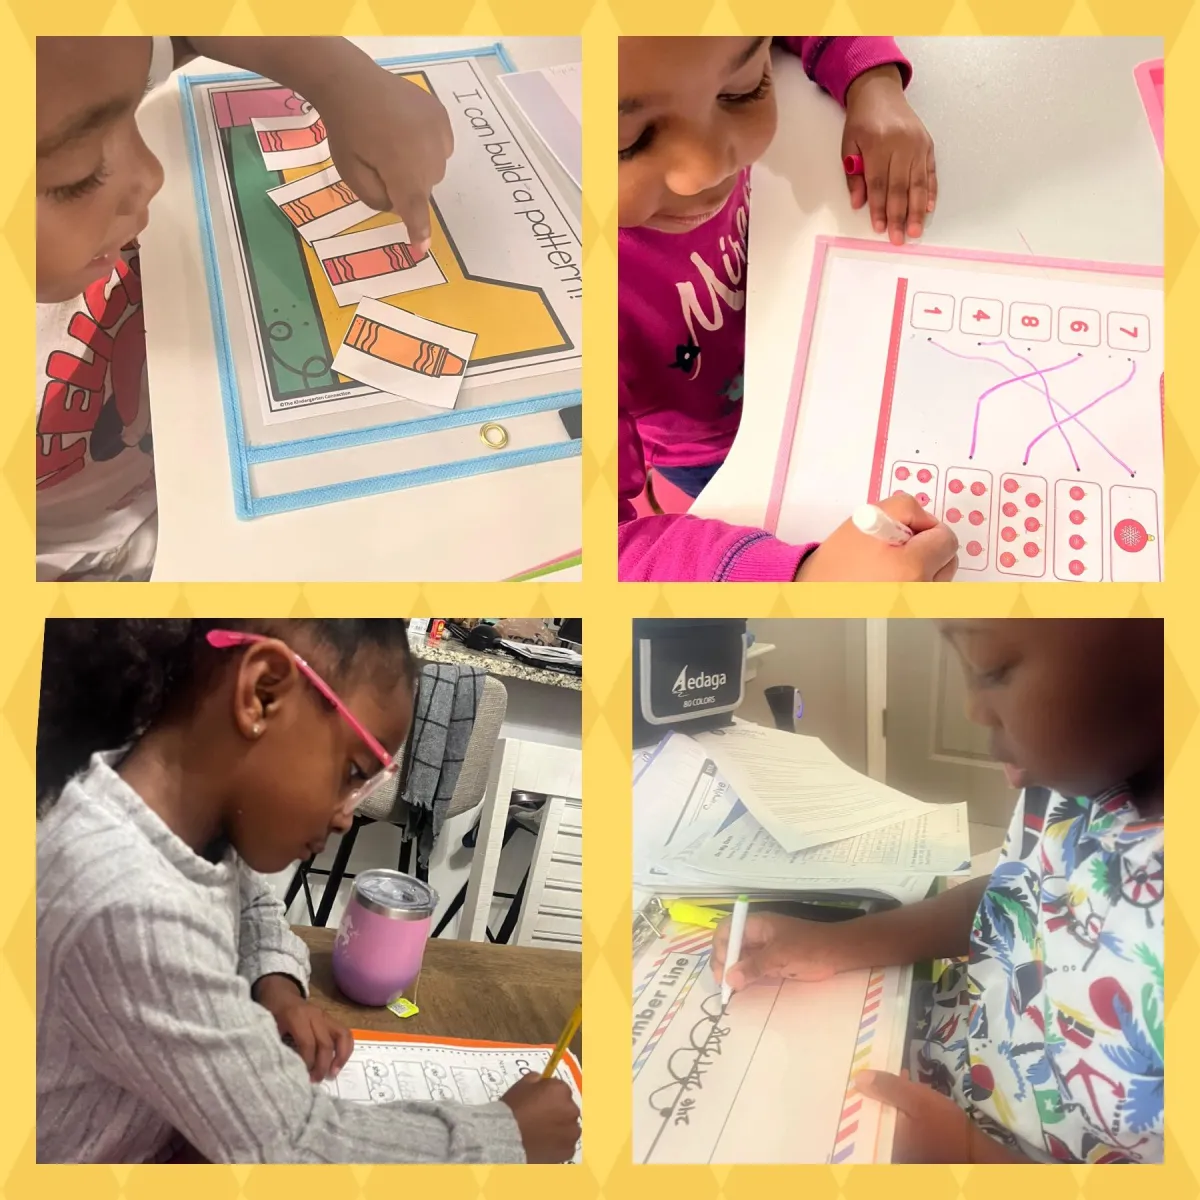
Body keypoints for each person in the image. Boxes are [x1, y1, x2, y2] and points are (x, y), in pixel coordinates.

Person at [36, 618, 581, 1164]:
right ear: (263, 693)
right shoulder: (133, 904)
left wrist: (275, 984)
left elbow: (245, 898)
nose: (347, 816)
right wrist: (508, 1135)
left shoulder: (164, 814)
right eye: (352, 771)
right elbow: (296, 1146)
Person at [712, 619, 1163, 1163]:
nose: (973, 709)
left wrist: (970, 1159)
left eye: (995, 669)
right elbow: (1013, 900)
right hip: (914, 1043)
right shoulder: (1082, 777)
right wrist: (841, 942)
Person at [36, 38, 452, 580]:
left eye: (133, 105)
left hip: (216, 454)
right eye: (80, 173)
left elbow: (185, 28)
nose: (150, 174)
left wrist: (340, 77)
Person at [618, 36, 957, 582]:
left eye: (743, 89)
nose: (708, 167)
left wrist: (872, 81)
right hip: (713, 451)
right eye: (627, 142)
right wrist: (803, 581)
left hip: (811, 358)